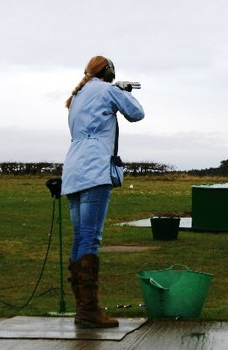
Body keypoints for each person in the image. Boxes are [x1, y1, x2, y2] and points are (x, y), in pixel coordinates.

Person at [61, 55, 144, 328]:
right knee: (90, 238)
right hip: (95, 169)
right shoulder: (108, 90)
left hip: (73, 170)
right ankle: (88, 310)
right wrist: (119, 90)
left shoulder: (76, 97)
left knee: (79, 238)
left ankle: (83, 309)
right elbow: (137, 113)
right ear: (109, 72)